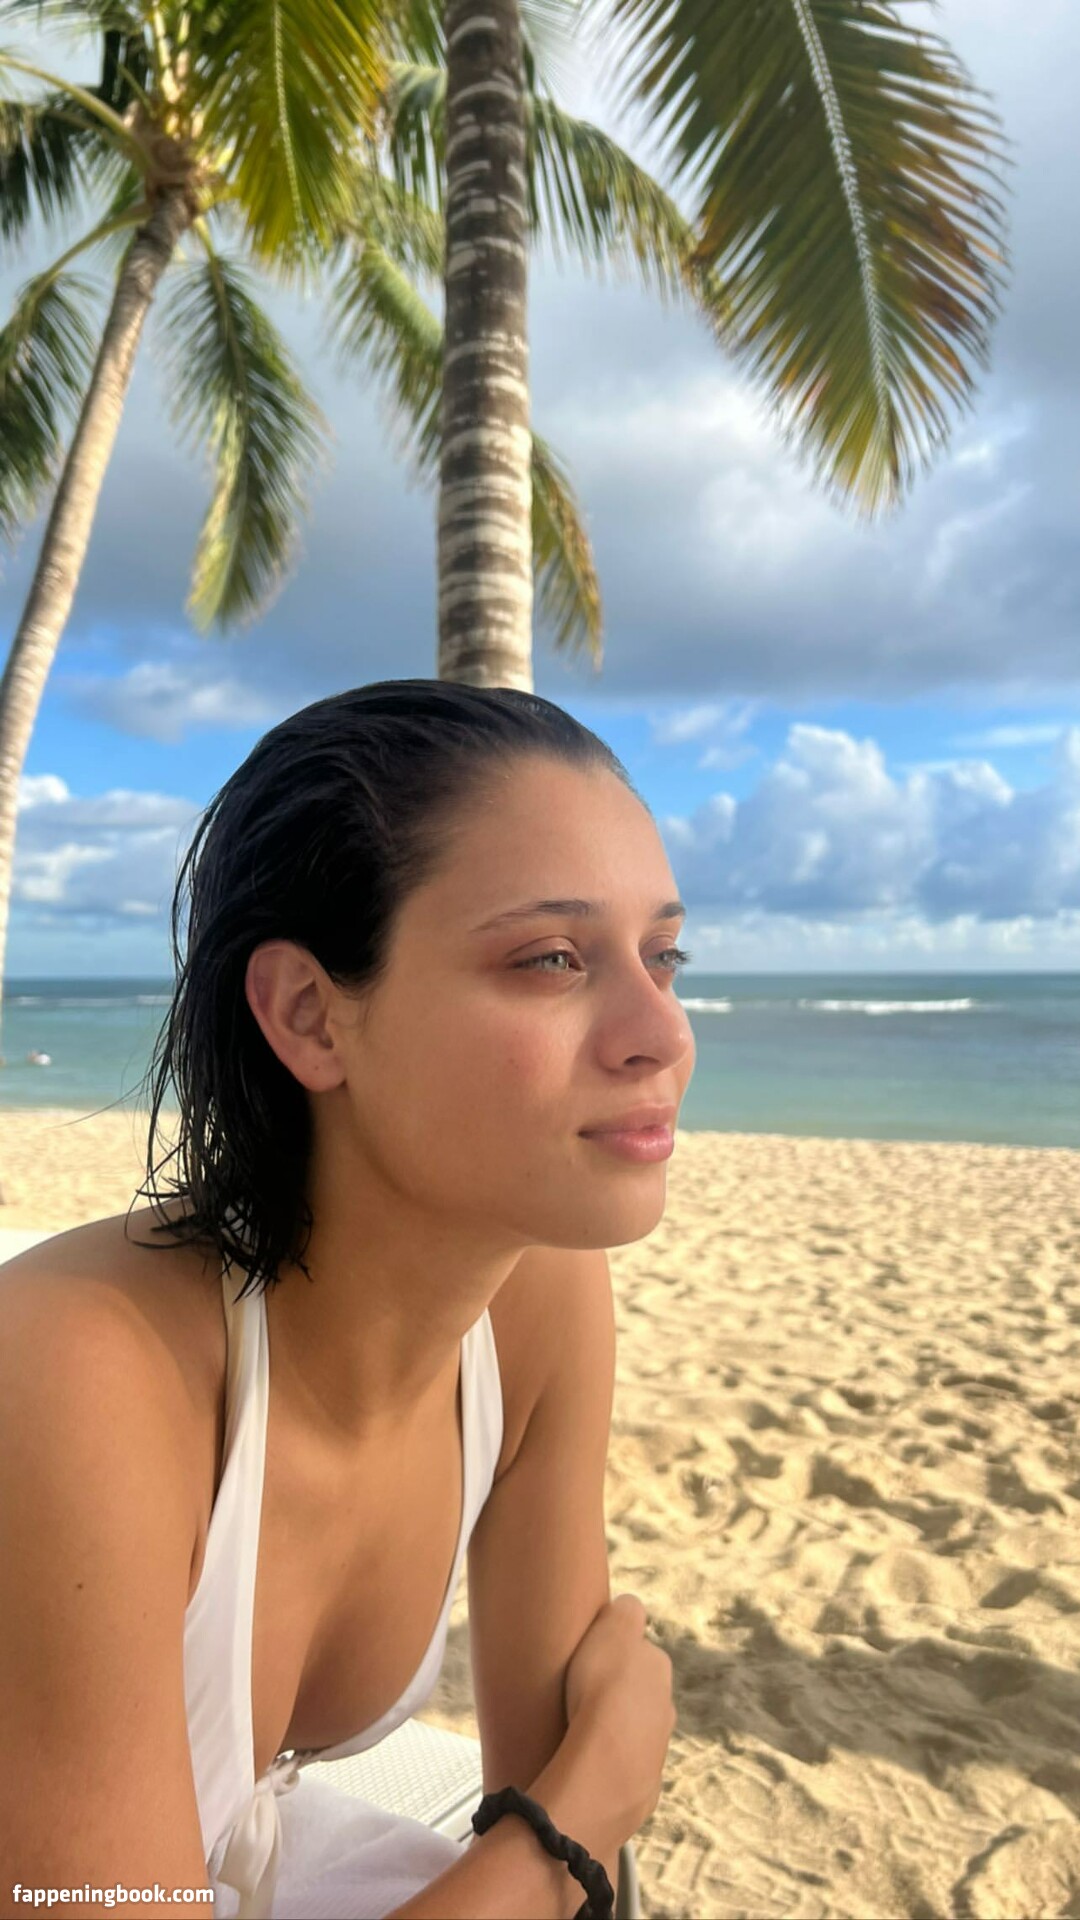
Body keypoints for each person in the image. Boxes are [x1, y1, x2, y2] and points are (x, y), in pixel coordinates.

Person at [0, 679, 691, 1919]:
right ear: (310, 1016)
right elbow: (569, 1812)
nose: (662, 1032)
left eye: (664, 956)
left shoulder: (538, 1303)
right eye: (552, 959)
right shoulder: (74, 1371)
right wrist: (579, 1817)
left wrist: (562, 1827)